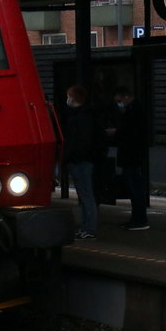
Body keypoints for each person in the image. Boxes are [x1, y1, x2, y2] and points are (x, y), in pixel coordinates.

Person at [107, 86, 150, 230]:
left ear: (127, 97)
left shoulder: (133, 113)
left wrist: (117, 133)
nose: (118, 103)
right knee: (135, 188)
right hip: (133, 156)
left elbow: (130, 134)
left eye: (119, 100)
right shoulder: (136, 111)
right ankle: (138, 218)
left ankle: (139, 219)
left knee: (135, 188)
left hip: (131, 156)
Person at [63, 85, 102, 239]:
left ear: (74, 98)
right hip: (83, 159)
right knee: (86, 195)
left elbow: (79, 141)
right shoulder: (86, 115)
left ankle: (89, 228)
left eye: (69, 96)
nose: (67, 99)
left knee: (86, 195)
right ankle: (87, 227)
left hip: (80, 160)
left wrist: (69, 156)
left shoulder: (79, 117)